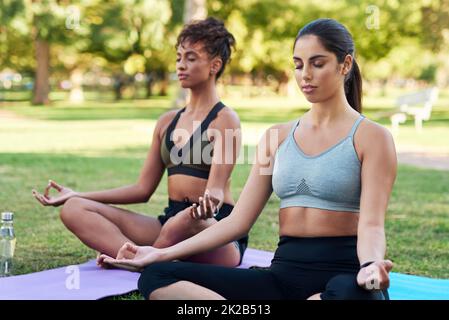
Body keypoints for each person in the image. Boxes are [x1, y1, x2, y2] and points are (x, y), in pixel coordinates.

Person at [101, 18, 397, 300]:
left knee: (357, 292)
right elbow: (238, 221)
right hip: (283, 275)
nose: (305, 75)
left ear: (345, 64)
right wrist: (159, 253)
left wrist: (370, 264)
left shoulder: (372, 137)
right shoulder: (275, 138)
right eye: (298, 65)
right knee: (158, 275)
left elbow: (371, 224)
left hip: (343, 276)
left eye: (317, 64)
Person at [32, 17, 248, 268]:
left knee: (184, 220)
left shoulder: (225, 120)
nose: (181, 65)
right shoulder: (167, 121)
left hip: (213, 231)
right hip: (168, 225)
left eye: (191, 58)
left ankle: (144, 259)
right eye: (178, 57)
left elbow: (217, 193)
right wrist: (78, 194)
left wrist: (206, 207)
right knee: (74, 209)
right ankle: (139, 257)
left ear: (214, 65)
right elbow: (142, 189)